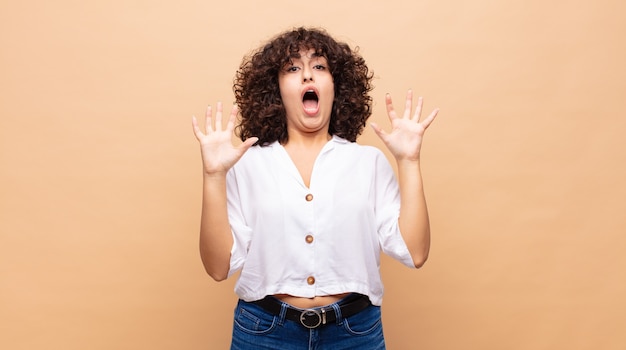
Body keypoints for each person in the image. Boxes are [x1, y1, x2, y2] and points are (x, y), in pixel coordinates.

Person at [191, 27, 438, 350]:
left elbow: (415, 253)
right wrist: (213, 176)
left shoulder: (369, 162)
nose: (307, 75)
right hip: (264, 334)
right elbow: (217, 268)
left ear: (337, 85)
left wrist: (409, 161)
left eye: (319, 67)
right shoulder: (246, 164)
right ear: (275, 88)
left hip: (354, 334)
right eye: (293, 69)